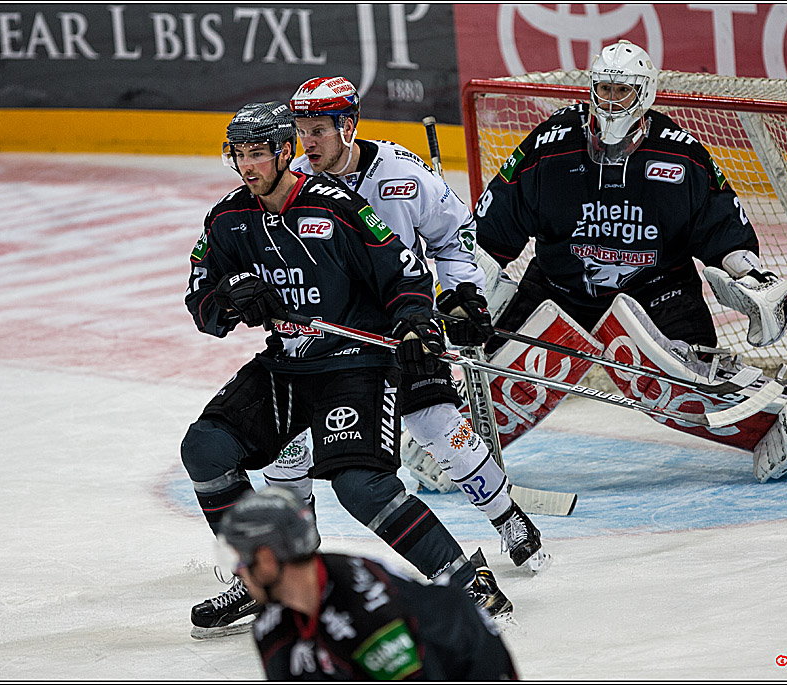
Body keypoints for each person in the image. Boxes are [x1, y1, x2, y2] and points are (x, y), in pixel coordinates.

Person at [182, 101, 512, 639]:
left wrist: (416, 324)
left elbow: (403, 271)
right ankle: (265, 575)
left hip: (356, 364)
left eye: (258, 153)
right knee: (204, 448)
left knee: (360, 485)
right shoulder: (227, 219)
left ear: (283, 153)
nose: (247, 166)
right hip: (287, 364)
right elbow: (201, 303)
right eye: (238, 155)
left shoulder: (337, 207)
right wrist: (230, 296)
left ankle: (465, 581)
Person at [473, 40, 787, 481]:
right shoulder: (549, 146)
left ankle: (781, 415)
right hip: (559, 289)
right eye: (604, 89)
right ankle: (451, 440)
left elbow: (720, 230)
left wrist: (749, 275)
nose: (611, 101)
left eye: (623, 90)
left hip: (659, 292)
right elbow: (492, 230)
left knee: (684, 379)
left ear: (646, 93)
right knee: (494, 370)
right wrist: (466, 289)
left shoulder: (680, 154)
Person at [259, 75, 545, 573]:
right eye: (301, 131)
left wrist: (462, 295)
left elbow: (455, 234)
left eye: (319, 130)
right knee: (288, 446)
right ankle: (293, 557)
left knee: (438, 424)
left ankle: (508, 518)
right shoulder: (294, 182)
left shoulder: (401, 174)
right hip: (331, 340)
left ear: (349, 125)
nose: (308, 143)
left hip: (403, 324)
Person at [219, 487, 519, 680]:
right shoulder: (271, 625)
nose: (237, 571)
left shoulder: (371, 615)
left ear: (267, 559)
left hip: (469, 662)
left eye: (240, 559)